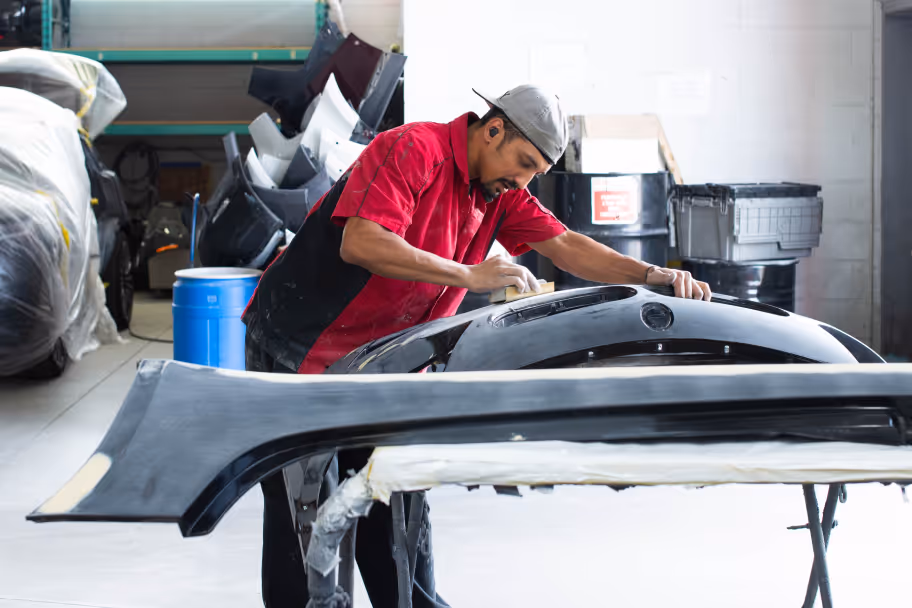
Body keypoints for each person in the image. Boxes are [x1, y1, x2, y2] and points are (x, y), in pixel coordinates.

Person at [243, 84, 711, 607]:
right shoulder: (413, 149)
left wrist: (653, 274)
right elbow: (363, 241)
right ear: (492, 129)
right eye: (523, 162)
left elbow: (565, 245)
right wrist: (469, 273)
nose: (523, 180)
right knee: (305, 516)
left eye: (536, 172)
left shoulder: (499, 191)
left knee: (394, 495)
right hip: (300, 348)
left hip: (387, 362)